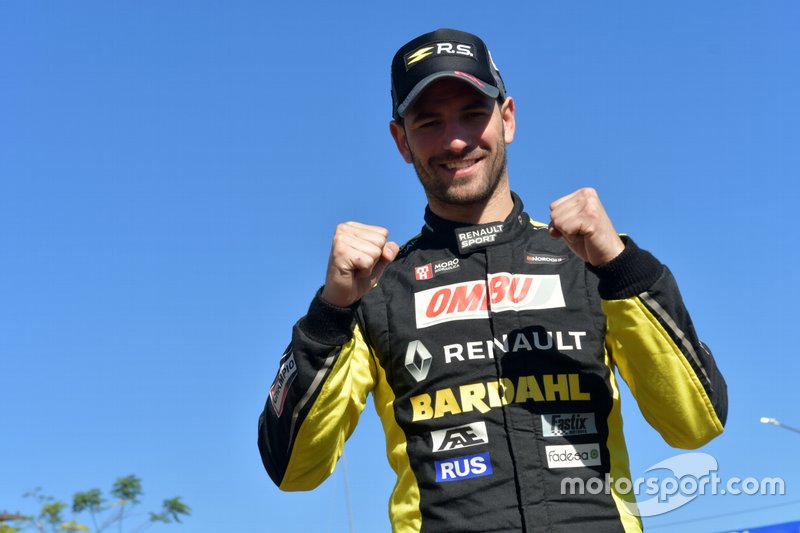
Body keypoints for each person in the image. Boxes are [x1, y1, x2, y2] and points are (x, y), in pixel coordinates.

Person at [258, 28, 727, 533]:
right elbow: (293, 469)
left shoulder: (593, 261)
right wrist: (330, 311)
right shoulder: (372, 290)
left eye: (472, 113)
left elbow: (696, 423)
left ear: (507, 118)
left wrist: (620, 265)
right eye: (429, 122)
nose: (455, 139)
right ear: (402, 141)